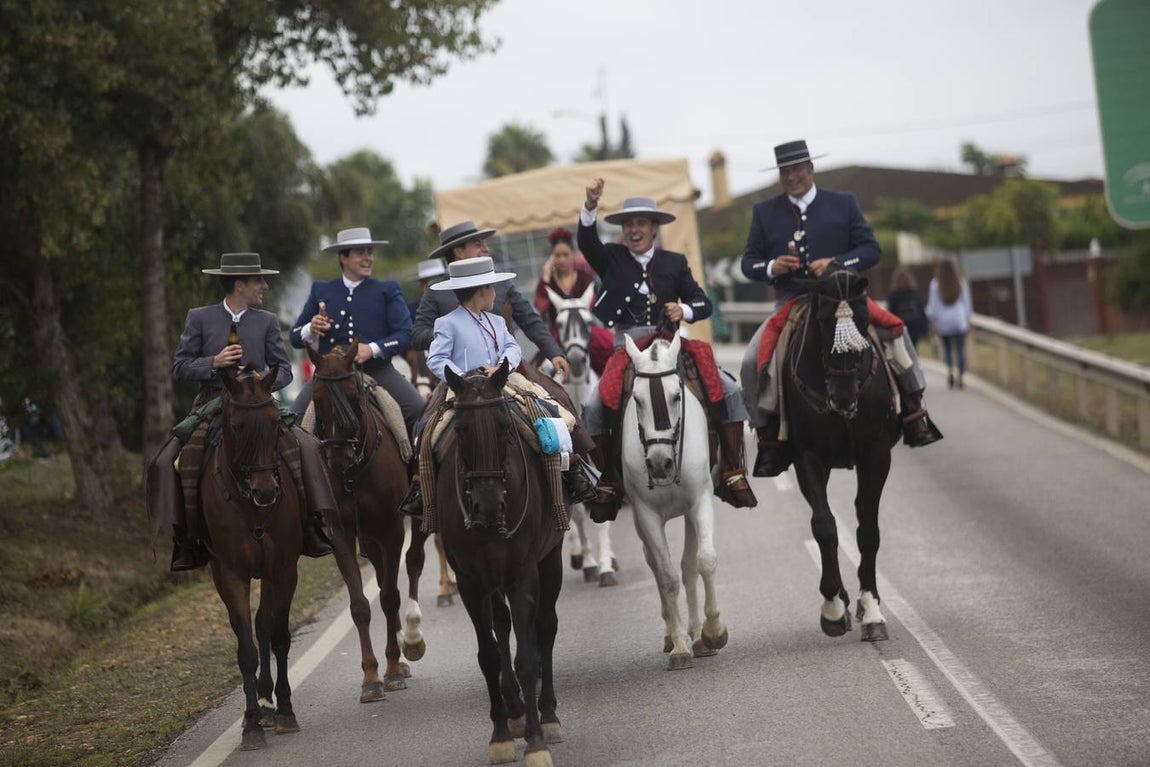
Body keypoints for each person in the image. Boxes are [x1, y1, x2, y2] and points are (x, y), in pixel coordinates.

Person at [739, 140, 942, 477]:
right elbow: (749, 262)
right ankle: (768, 440)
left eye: (798, 169)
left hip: (844, 299)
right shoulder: (764, 211)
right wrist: (772, 266)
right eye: (785, 171)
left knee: (896, 333)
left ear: (810, 169)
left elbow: (871, 250)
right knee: (750, 361)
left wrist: (837, 261)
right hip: (791, 302)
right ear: (780, 175)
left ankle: (914, 414)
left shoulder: (843, 203)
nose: (792, 177)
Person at [578, 179, 758, 518]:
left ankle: (732, 471)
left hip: (670, 344)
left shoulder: (674, 262)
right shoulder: (611, 257)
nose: (634, 230)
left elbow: (702, 303)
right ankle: (608, 481)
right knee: (591, 406)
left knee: (731, 390)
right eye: (629, 224)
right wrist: (590, 206)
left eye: (641, 223)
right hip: (628, 346)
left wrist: (683, 310)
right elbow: (587, 242)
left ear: (654, 228)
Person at [147, 252, 334, 571]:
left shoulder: (268, 321)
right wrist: (213, 363)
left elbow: (284, 371)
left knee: (308, 446)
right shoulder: (200, 317)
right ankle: (187, 540)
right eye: (259, 280)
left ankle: (310, 526)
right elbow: (179, 366)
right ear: (239, 285)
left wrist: (264, 382)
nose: (264, 286)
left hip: (259, 404)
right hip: (212, 403)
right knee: (170, 461)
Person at [397, 256, 596, 515]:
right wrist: (462, 379)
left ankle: (572, 470)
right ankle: (421, 486)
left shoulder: (497, 321)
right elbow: (436, 359)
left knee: (552, 409)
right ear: (481, 291)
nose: (495, 293)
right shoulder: (447, 323)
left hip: (503, 382)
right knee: (427, 427)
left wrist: (502, 366)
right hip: (461, 388)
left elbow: (512, 347)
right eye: (491, 288)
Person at [289, 227, 425, 434]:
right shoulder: (321, 289)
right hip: (329, 373)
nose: (368, 258)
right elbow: (294, 337)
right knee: (293, 417)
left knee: (418, 409)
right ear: (343, 257)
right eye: (361, 253)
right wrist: (311, 327)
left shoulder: (387, 289)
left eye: (370, 252)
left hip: (376, 369)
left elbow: (406, 334)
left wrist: (372, 349)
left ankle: (414, 465)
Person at [410, 221, 572, 383]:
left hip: (503, 373)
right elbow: (418, 336)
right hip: (458, 382)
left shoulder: (500, 283)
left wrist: (554, 352)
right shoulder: (436, 291)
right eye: (477, 245)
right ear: (459, 252)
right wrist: (452, 333)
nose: (485, 249)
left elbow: (530, 319)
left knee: (545, 404)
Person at [533, 227, 613, 375]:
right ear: (552, 257)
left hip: (584, 329)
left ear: (573, 255)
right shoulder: (548, 281)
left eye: (565, 255)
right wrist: (545, 277)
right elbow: (541, 306)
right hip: (558, 331)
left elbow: (590, 306)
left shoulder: (585, 278)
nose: (561, 259)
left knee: (610, 348)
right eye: (557, 255)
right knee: (541, 367)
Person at [927, 257, 973, 389]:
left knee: (947, 349)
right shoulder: (960, 281)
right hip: (959, 320)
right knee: (960, 350)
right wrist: (968, 319)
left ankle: (950, 371)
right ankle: (961, 376)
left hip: (943, 321)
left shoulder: (935, 284)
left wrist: (932, 321)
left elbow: (933, 306)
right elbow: (967, 303)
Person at [886, 266, 929, 347]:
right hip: (915, 327)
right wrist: (925, 329)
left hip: (901, 326)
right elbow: (921, 312)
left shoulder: (893, 296)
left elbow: (890, 313)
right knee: (913, 348)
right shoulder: (913, 294)